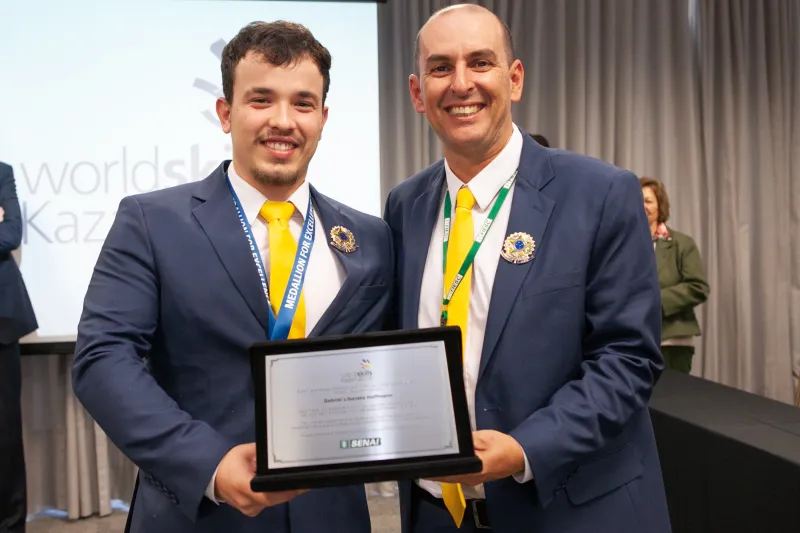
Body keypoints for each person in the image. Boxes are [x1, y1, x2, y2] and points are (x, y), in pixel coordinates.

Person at [72, 21, 392, 533]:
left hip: (332, 515)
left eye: (303, 103)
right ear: (226, 113)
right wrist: (210, 465)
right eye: (261, 100)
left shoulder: (369, 238)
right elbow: (102, 359)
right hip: (197, 511)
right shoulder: (151, 222)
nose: (283, 121)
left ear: (324, 117)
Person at [383, 5, 671, 532]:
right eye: (441, 67)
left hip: (567, 509)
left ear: (513, 79)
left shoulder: (600, 193)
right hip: (435, 515)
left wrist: (524, 449)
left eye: (481, 63)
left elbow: (628, 359)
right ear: (417, 93)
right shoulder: (405, 206)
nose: (461, 83)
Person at [0, 161, 38, 533]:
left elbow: (10, 233)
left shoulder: (0, 171)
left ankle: (11, 527)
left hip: (2, 324)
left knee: (6, 436)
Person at [640, 177, 709, 374]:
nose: (642, 206)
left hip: (672, 344)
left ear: (660, 206)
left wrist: (654, 302)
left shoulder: (682, 243)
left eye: (648, 201)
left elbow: (698, 287)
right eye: (637, 200)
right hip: (633, 341)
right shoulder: (624, 244)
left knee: (669, 404)